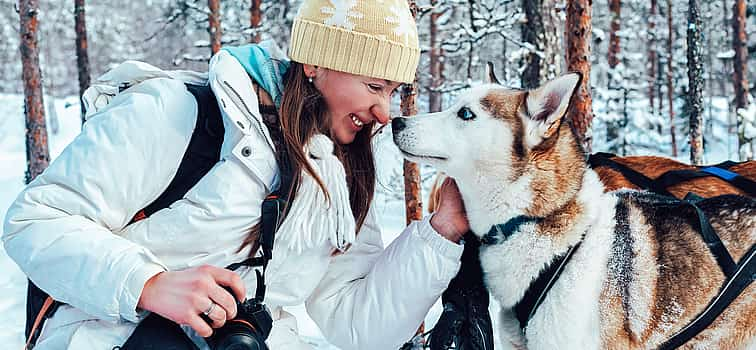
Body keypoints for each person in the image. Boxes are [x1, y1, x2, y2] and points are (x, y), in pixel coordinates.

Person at [2, 1, 469, 349]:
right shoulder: (178, 114)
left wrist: (442, 230)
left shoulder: (342, 173)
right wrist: (147, 284)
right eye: (374, 86)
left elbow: (357, 323)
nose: (383, 112)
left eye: (391, 91)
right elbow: (35, 220)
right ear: (316, 63)